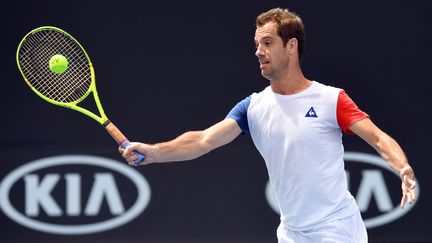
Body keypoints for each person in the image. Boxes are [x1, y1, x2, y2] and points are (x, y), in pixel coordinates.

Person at [119, 7, 416, 243]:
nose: (258, 51)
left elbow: (377, 138)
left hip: (338, 230)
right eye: (257, 44)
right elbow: (203, 140)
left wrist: (402, 167)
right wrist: (155, 152)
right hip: (291, 233)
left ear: (291, 46)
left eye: (268, 42)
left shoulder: (330, 99)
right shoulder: (253, 107)